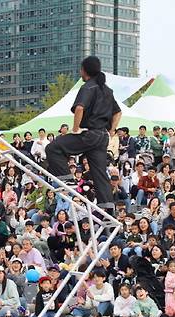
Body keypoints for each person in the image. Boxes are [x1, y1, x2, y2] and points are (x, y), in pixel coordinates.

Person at [45, 55, 122, 207]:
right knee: (99, 173)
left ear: (85, 70)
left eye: (81, 70)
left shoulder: (88, 87)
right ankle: (107, 207)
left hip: (90, 134)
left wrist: (75, 129)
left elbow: (80, 107)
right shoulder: (107, 90)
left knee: (53, 148)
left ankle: (66, 178)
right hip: (102, 137)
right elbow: (118, 113)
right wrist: (111, 131)